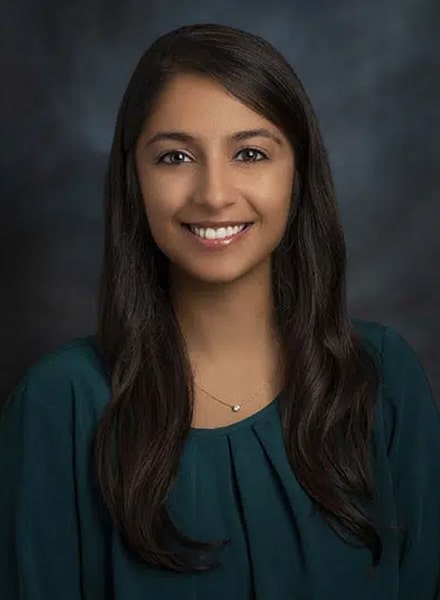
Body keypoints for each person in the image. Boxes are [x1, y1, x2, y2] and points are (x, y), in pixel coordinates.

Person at [0, 22, 439, 600]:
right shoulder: (60, 405)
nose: (213, 193)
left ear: (299, 174)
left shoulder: (382, 378)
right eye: (175, 156)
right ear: (134, 180)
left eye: (250, 153)